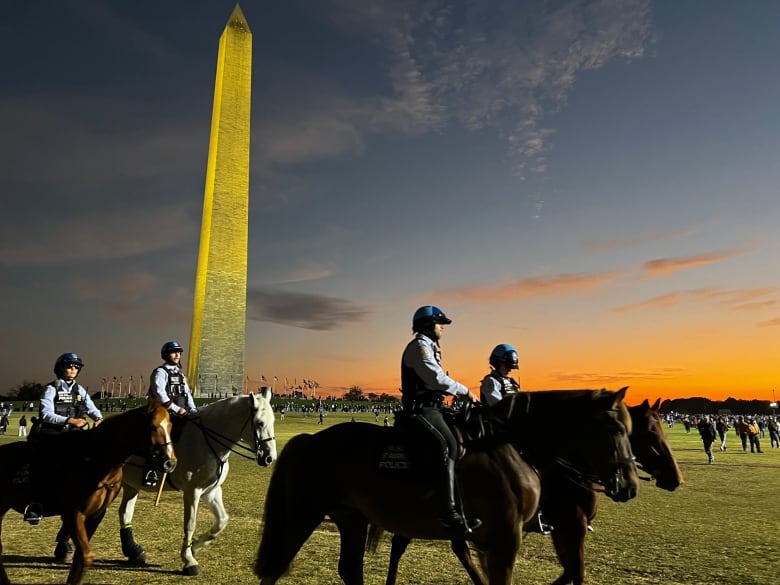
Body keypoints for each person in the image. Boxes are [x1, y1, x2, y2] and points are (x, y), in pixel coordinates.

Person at [401, 305, 481, 536]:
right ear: (427, 325)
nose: (443, 327)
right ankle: (447, 512)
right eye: (440, 323)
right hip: (421, 409)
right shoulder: (419, 348)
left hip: (435, 407)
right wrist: (464, 390)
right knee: (448, 445)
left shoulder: (430, 347)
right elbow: (435, 379)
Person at [28, 352, 103, 563]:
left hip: (73, 435)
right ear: (60, 368)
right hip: (52, 433)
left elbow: (92, 409)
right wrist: (70, 420)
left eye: (76, 366)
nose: (72, 369)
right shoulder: (51, 388)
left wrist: (98, 419)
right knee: (45, 464)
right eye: (69, 366)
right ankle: (35, 504)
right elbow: (46, 414)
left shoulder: (80, 390)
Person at [144, 341, 197, 486]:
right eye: (174, 352)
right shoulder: (160, 372)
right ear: (165, 355)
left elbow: (187, 394)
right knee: (157, 438)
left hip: (182, 411)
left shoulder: (180, 374)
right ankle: (150, 470)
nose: (177, 355)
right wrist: (175, 409)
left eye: (179, 352)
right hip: (164, 412)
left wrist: (193, 410)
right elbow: (159, 392)